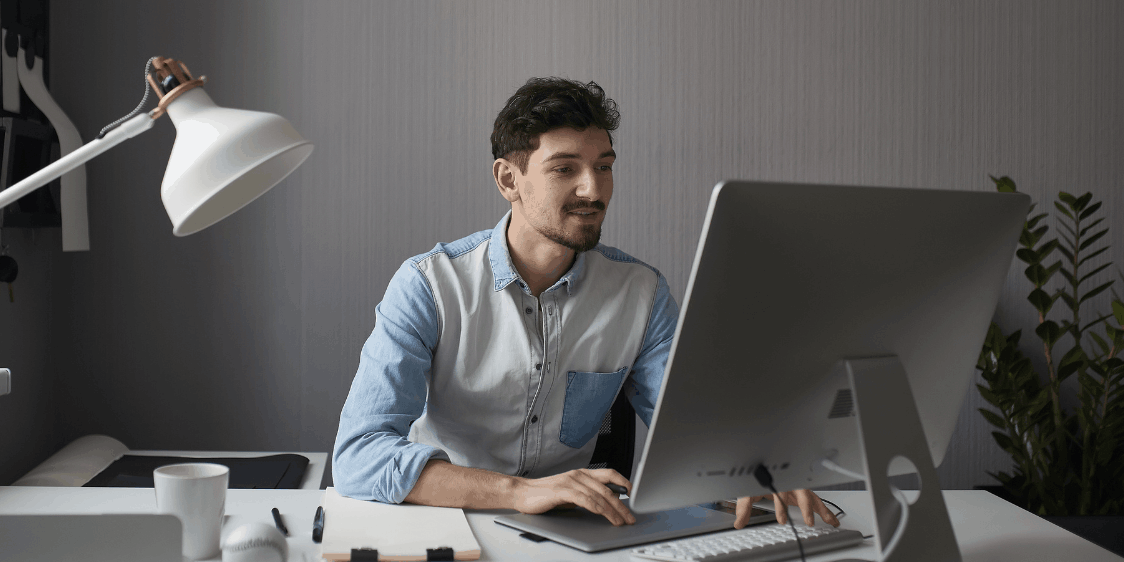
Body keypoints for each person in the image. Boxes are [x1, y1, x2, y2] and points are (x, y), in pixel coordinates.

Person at [333, 77, 837, 532]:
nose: (593, 190)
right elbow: (359, 456)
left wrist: (754, 462)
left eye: (603, 167)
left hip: (575, 531)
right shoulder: (429, 284)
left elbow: (690, 431)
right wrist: (520, 492)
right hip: (451, 523)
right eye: (564, 169)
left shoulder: (641, 293)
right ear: (509, 180)